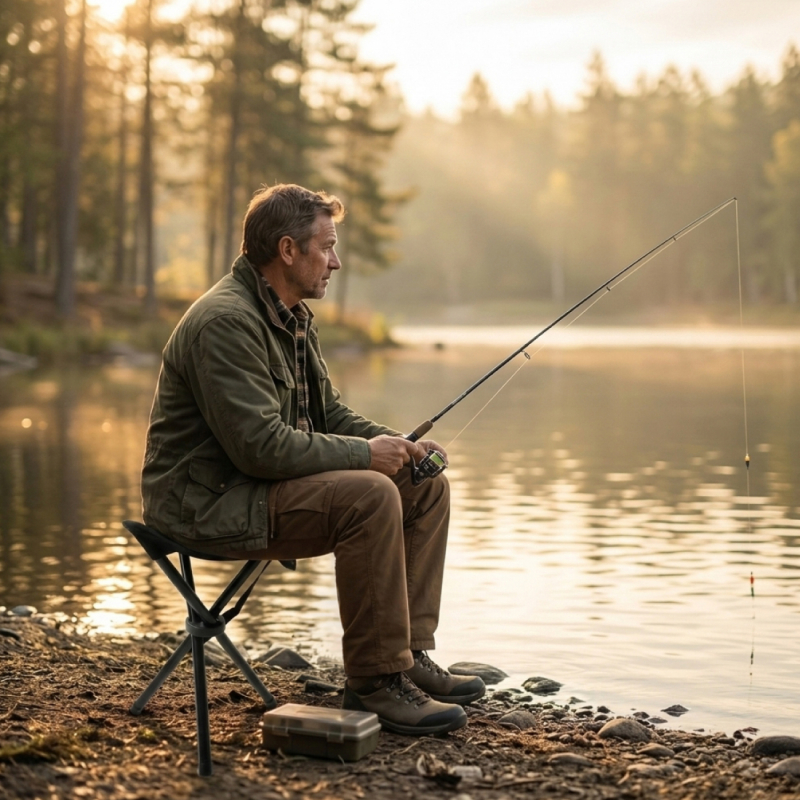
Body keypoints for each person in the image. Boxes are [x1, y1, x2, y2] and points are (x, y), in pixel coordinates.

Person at [140, 183, 485, 736]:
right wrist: (368, 459)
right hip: (207, 504)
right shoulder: (226, 322)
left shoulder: (291, 316)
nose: (337, 260)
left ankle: (408, 655)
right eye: (326, 246)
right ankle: (374, 681)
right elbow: (262, 447)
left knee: (420, 485)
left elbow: (330, 418)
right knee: (371, 494)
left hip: (252, 489)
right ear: (287, 250)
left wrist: (399, 446)